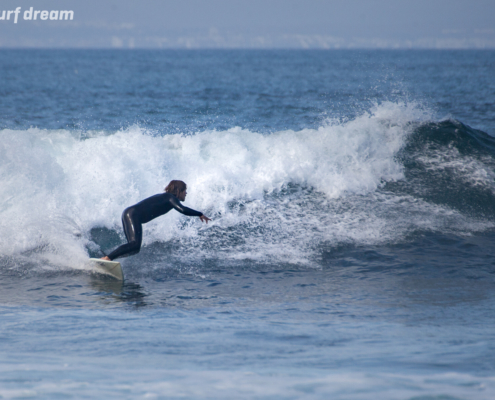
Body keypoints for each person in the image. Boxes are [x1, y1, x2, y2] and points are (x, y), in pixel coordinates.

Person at [101, 180, 211, 261]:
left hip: (130, 213)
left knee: (135, 248)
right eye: (185, 191)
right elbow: (183, 209)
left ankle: (107, 258)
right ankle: (108, 258)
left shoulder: (166, 197)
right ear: (179, 190)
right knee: (134, 244)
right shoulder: (170, 197)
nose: (186, 193)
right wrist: (199, 214)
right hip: (133, 214)